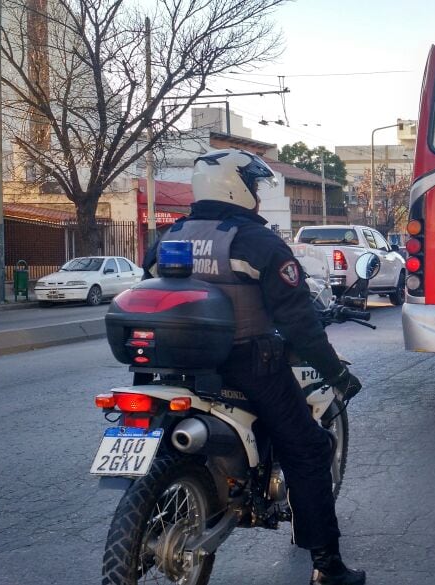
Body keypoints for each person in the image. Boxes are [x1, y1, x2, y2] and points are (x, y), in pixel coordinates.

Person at [143, 149, 365, 585]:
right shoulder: (255, 241)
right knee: (309, 449)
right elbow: (298, 322)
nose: (259, 198)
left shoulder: (170, 236)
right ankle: (327, 565)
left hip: (172, 366)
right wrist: (337, 373)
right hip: (246, 365)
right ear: (236, 186)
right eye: (255, 187)